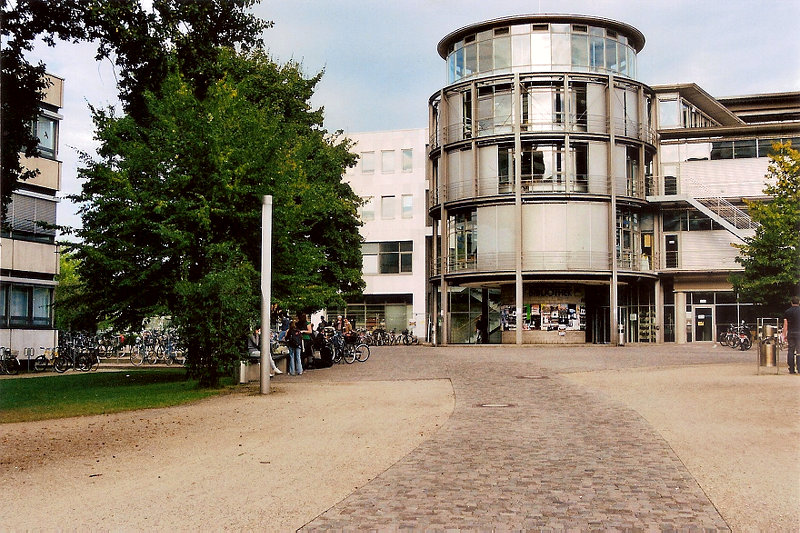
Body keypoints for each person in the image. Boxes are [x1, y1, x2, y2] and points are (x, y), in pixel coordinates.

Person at [781, 296, 800, 374]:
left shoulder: (787, 311)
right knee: (799, 351)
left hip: (791, 333)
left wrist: (784, 334)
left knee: (791, 350)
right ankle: (799, 368)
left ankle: (791, 369)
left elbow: (785, 325)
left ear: (791, 303)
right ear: (799, 302)